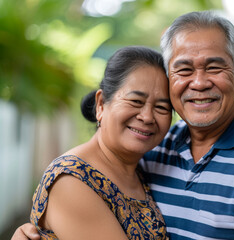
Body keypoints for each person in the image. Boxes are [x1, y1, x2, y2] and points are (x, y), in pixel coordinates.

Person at [12, 11, 234, 240]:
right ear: (101, 104)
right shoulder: (159, 150)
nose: (199, 83)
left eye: (214, 67)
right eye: (184, 69)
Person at [16, 46, 172, 240]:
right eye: (135, 101)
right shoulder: (72, 179)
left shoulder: (141, 170)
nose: (148, 117)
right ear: (101, 104)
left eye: (162, 107)